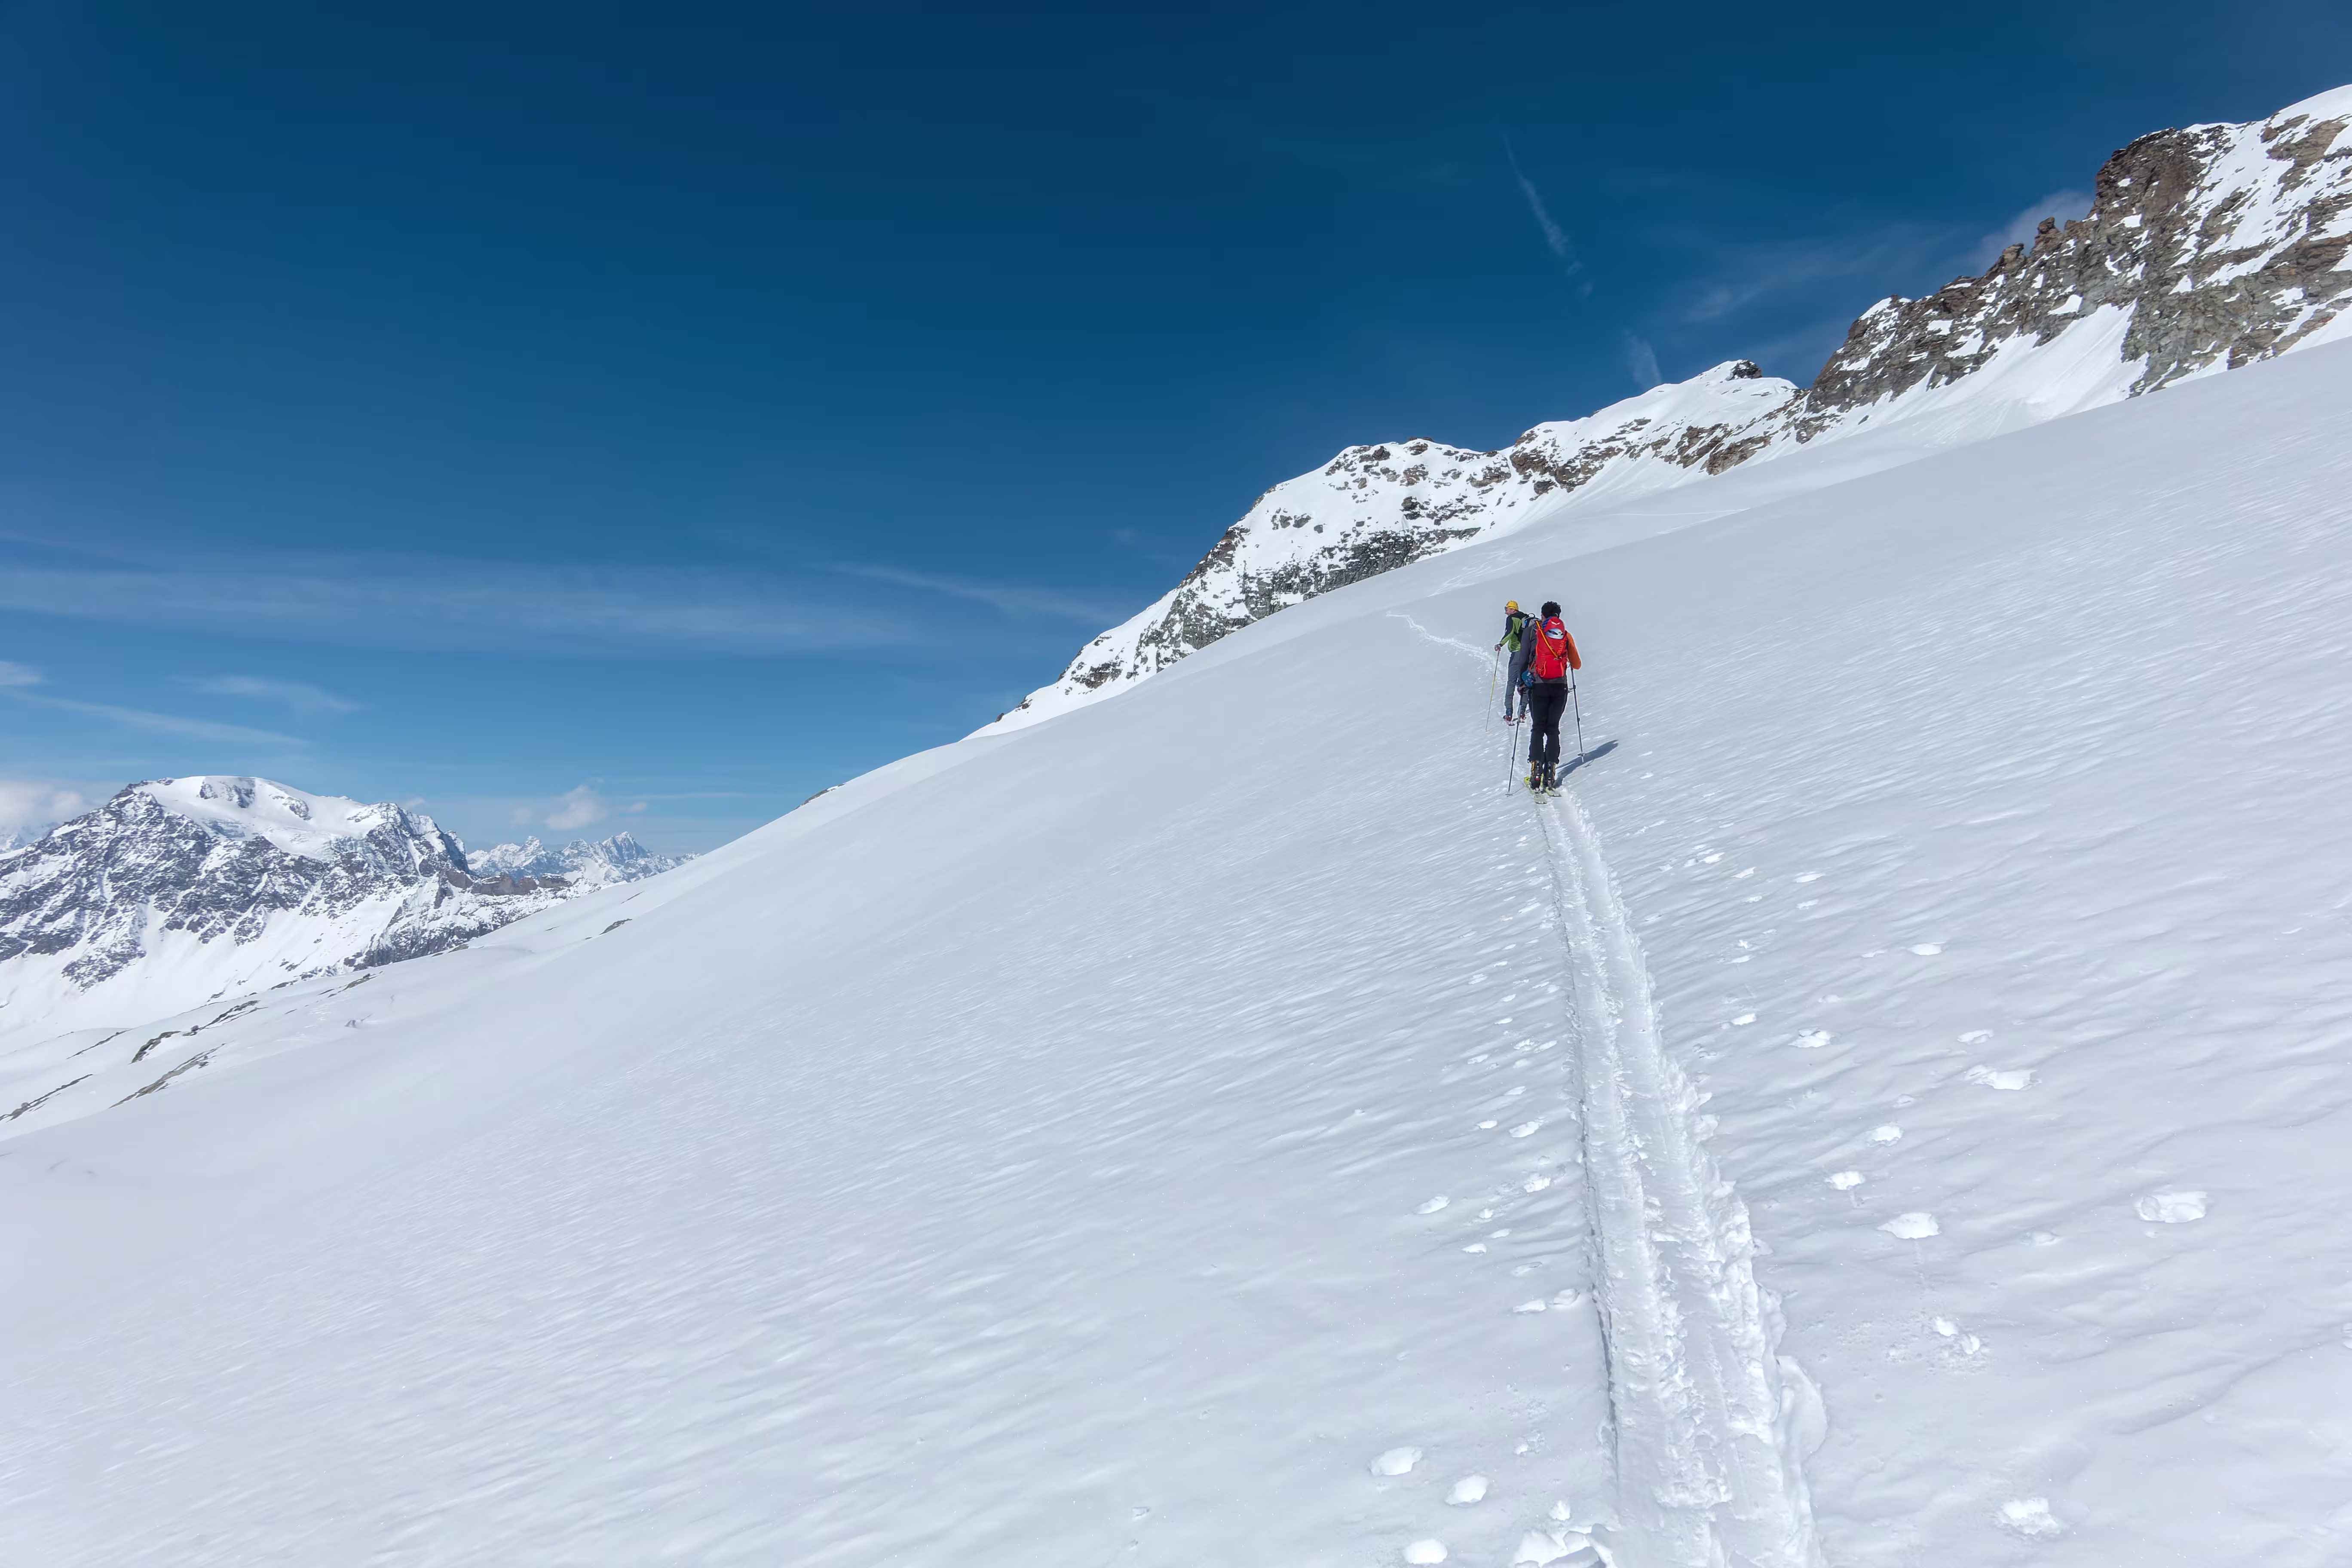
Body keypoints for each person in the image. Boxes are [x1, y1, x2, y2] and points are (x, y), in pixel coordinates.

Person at [1509, 600, 1582, 790]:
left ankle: (1536, 771)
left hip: (1539, 686)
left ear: (1542, 616)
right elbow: (1577, 665)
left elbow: (1523, 658)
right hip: (1560, 687)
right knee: (1553, 728)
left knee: (1538, 728)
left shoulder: (1533, 631)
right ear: (1559, 616)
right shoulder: (1565, 636)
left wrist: (1522, 682)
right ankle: (1551, 770)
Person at [1494, 600, 1532, 722]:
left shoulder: (1512, 619)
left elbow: (1509, 632)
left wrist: (1501, 644)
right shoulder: (1526, 618)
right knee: (1525, 680)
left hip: (1517, 652)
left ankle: (1509, 712)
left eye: (1507, 609)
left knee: (1511, 681)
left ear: (1513, 609)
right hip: (1529, 653)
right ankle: (1522, 711)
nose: (1506, 612)